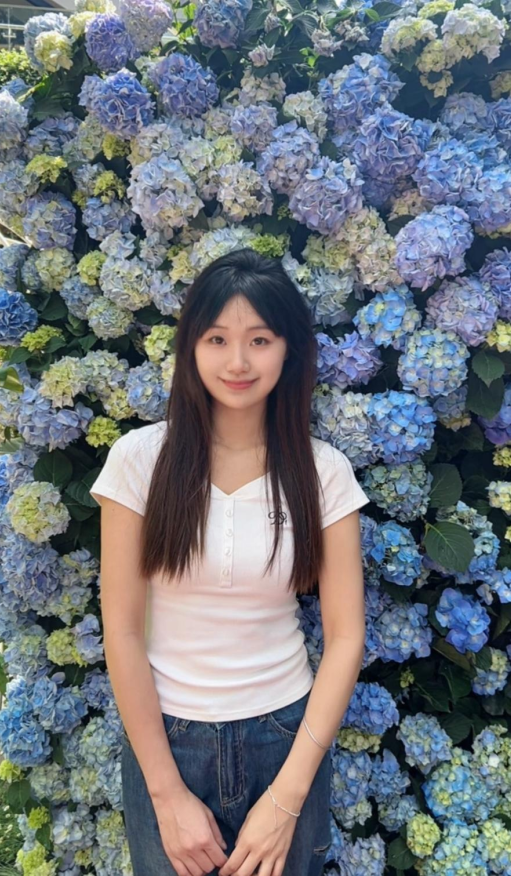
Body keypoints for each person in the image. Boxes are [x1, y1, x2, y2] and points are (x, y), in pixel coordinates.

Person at [89, 247, 369, 876]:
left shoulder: (323, 472)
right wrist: (166, 794)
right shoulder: (139, 461)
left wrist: (288, 797)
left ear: (287, 350)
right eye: (217, 339)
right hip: (167, 744)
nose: (238, 362)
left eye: (259, 340)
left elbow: (347, 635)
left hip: (288, 738)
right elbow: (123, 632)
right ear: (191, 346)